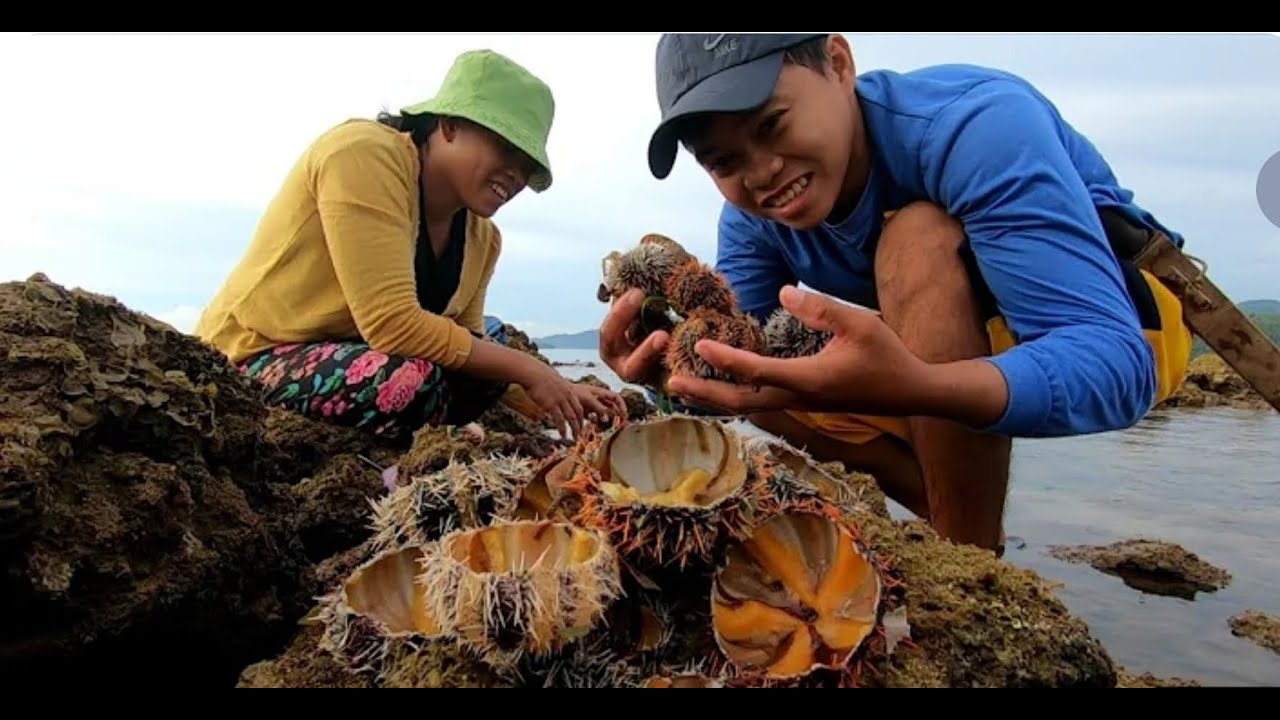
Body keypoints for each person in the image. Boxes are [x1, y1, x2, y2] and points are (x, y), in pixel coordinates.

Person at [598, 33, 1195, 552]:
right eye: (725, 161)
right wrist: (673, 378)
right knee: (757, 368)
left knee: (914, 236)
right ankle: (963, 529)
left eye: (772, 125)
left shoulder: (976, 125)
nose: (760, 173)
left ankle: (970, 569)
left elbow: (1119, 366)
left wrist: (921, 385)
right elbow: (744, 367)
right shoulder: (754, 221)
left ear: (838, 64)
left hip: (1128, 318)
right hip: (946, 345)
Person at [197, 48, 624, 442]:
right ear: (450, 124)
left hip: (355, 351)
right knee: (407, 379)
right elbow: (391, 324)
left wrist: (556, 395)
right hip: (251, 358)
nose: (516, 172)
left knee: (489, 342)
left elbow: (468, 343)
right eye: (507, 146)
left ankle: (423, 425)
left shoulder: (483, 237)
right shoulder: (363, 155)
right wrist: (530, 368)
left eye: (528, 162)